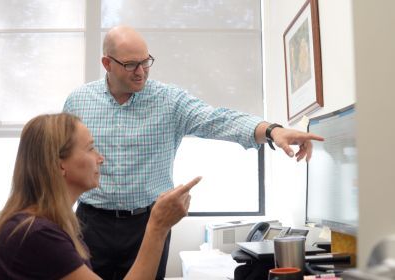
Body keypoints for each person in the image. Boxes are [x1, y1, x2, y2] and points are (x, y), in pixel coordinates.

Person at [63, 25, 324, 280]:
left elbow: (218, 119)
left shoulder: (168, 100)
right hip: (89, 223)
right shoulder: (79, 101)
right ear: (107, 64)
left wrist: (271, 130)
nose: (141, 72)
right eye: (131, 64)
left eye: (146, 62)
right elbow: (58, 159)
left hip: (150, 223)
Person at [0, 113, 201, 280]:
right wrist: (158, 227)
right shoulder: (37, 235)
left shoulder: (39, 224)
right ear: (59, 165)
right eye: (90, 148)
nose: (100, 158)